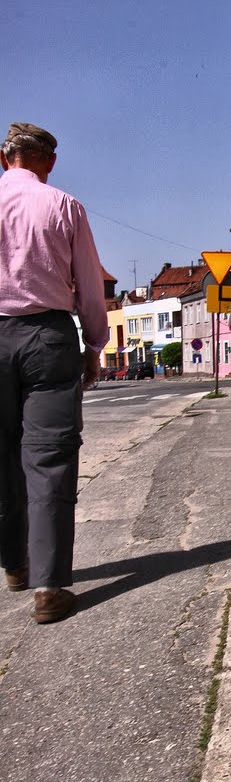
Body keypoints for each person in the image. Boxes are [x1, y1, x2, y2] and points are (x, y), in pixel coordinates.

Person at [0, 122, 108, 623]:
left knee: (3, 456)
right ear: (48, 161)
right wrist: (94, 344)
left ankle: (15, 565)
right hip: (48, 337)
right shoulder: (65, 206)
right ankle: (48, 587)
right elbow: (88, 282)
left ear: (5, 160)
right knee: (49, 459)